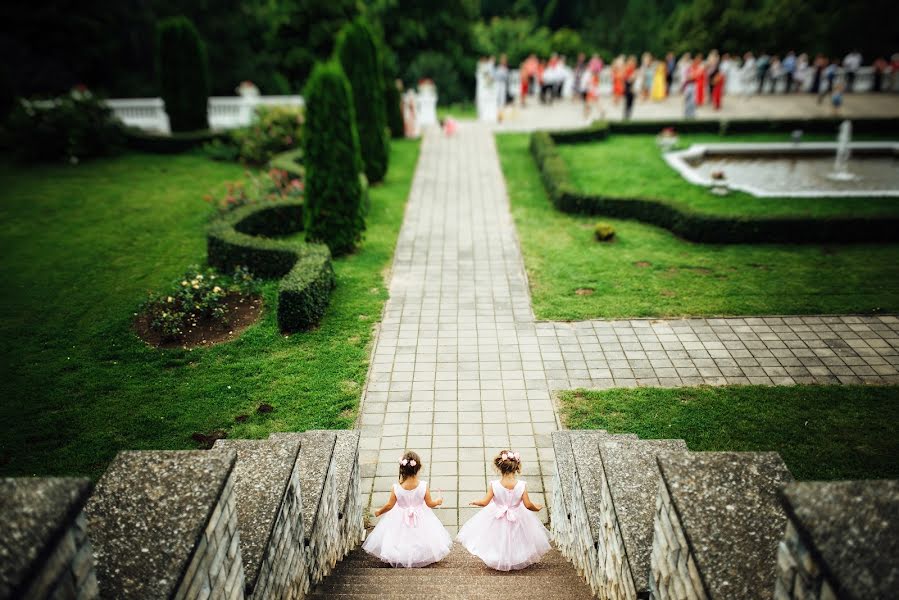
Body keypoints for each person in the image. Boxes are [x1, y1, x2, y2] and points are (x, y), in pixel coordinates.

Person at [457, 450, 550, 571]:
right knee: (517, 538)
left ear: (499, 468)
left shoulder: (494, 485)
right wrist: (536, 507)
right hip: (517, 515)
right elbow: (527, 505)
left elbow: (485, 502)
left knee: (498, 538)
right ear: (517, 467)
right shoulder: (521, 485)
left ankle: (498, 557)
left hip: (497, 515)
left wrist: (476, 502)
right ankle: (515, 558)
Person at [363, 450, 452, 568]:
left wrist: (379, 511)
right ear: (418, 468)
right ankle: (421, 554)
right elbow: (430, 504)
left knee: (400, 536)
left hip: (400, 516)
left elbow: (390, 505)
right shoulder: (423, 486)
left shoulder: (396, 488)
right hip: (421, 515)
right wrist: (438, 501)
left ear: (402, 469)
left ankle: (400, 554)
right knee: (421, 534)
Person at [494, 54, 510, 122]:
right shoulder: (498, 68)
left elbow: (506, 78)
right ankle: (497, 115)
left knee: (502, 100)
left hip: (503, 84)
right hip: (497, 84)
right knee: (497, 99)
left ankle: (501, 116)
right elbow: (495, 76)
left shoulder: (506, 69)